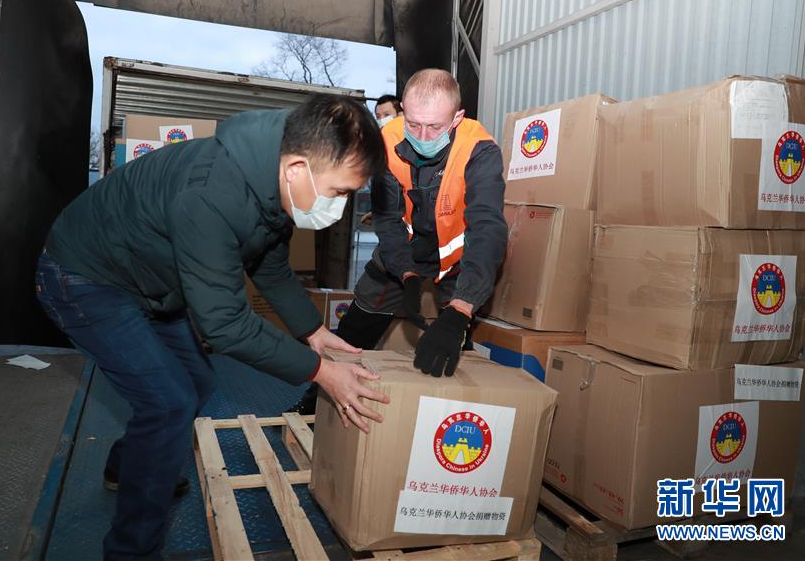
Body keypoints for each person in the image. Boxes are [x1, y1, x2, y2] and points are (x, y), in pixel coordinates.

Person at [35, 95, 390, 560]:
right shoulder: (211, 192)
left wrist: (313, 331)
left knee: (197, 382)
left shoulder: (270, 179)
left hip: (152, 279)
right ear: (297, 168)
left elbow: (269, 263)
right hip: (86, 277)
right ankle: (131, 552)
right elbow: (224, 324)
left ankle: (132, 466)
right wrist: (322, 371)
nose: (340, 207)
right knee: (168, 402)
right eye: (339, 192)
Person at [288, 69, 506, 414]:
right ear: (403, 109)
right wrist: (405, 273)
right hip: (401, 252)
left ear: (457, 118)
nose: (423, 136)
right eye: (414, 124)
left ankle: (447, 414)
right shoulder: (386, 141)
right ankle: (317, 403)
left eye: (435, 127)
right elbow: (387, 219)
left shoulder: (480, 150)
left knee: (451, 339)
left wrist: (462, 308)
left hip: (457, 260)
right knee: (357, 323)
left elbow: (487, 227)